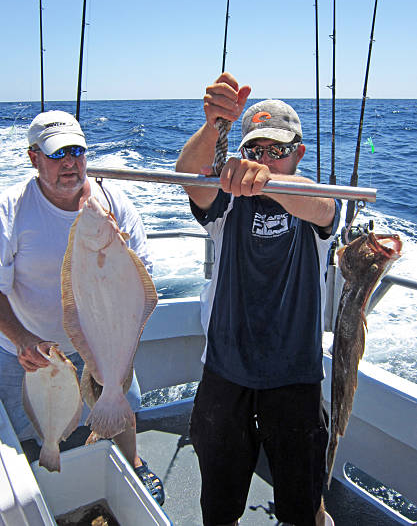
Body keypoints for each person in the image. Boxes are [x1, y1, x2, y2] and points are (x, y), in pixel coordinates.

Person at [176, 73, 341, 526]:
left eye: (277, 150)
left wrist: (263, 180)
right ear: (240, 151)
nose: (265, 158)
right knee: (220, 500)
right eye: (254, 150)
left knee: (303, 501)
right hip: (226, 370)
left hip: (296, 373)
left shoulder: (318, 203)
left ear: (298, 154)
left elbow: (323, 210)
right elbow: (190, 179)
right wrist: (213, 127)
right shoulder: (225, 205)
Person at [0, 110, 164, 506]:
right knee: (29, 432)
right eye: (58, 154)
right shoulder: (11, 210)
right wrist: (22, 339)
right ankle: (42, 495)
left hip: (103, 337)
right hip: (29, 350)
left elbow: (144, 279)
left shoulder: (112, 203)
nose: (71, 163)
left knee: (121, 409)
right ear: (34, 158)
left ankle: (133, 464)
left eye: (77, 151)